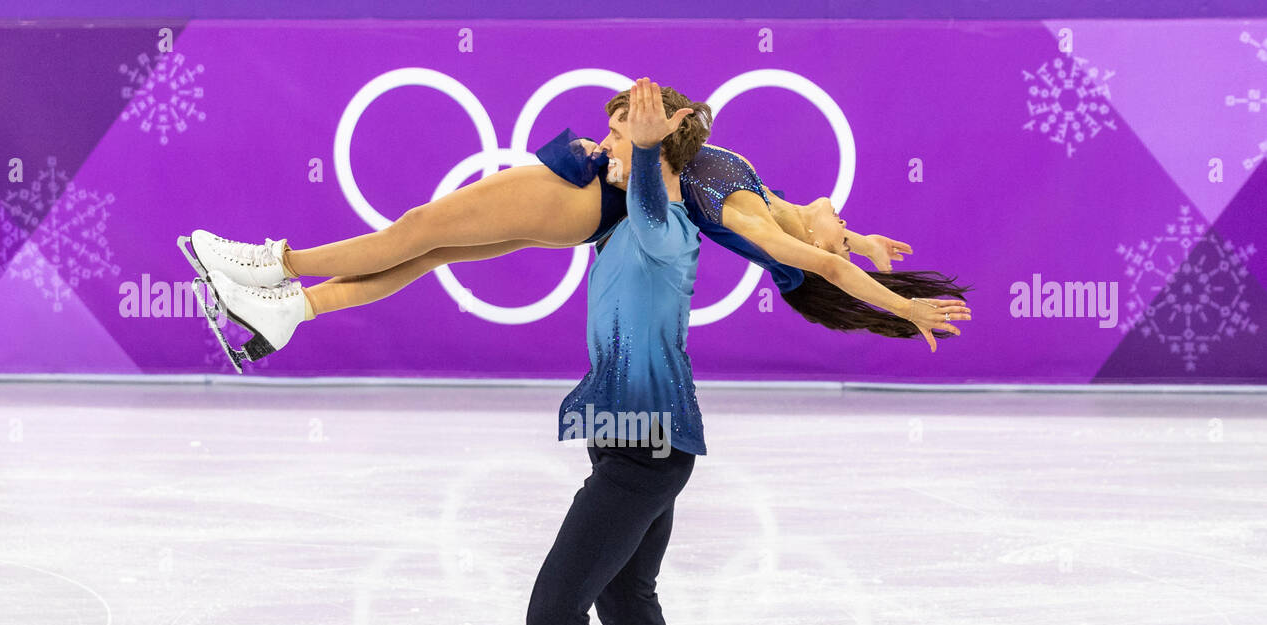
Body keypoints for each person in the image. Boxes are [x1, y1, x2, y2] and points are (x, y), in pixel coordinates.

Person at [180, 91, 971, 367]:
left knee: (418, 228)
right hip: (591, 202)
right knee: (435, 252)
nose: (845, 217)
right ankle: (293, 313)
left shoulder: (752, 217)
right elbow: (834, 244)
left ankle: (271, 264)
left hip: (585, 195)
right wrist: (863, 244)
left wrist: (897, 307)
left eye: (842, 232)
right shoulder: (784, 203)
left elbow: (826, 270)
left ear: (812, 255)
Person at [476, 78, 710, 625]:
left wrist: (639, 144)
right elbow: (551, 178)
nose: (603, 146)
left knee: (554, 606)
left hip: (644, 454)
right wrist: (583, 150)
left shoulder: (664, 225)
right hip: (633, 444)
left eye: (618, 136)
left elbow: (645, 188)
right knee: (624, 597)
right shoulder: (620, 225)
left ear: (652, 147)